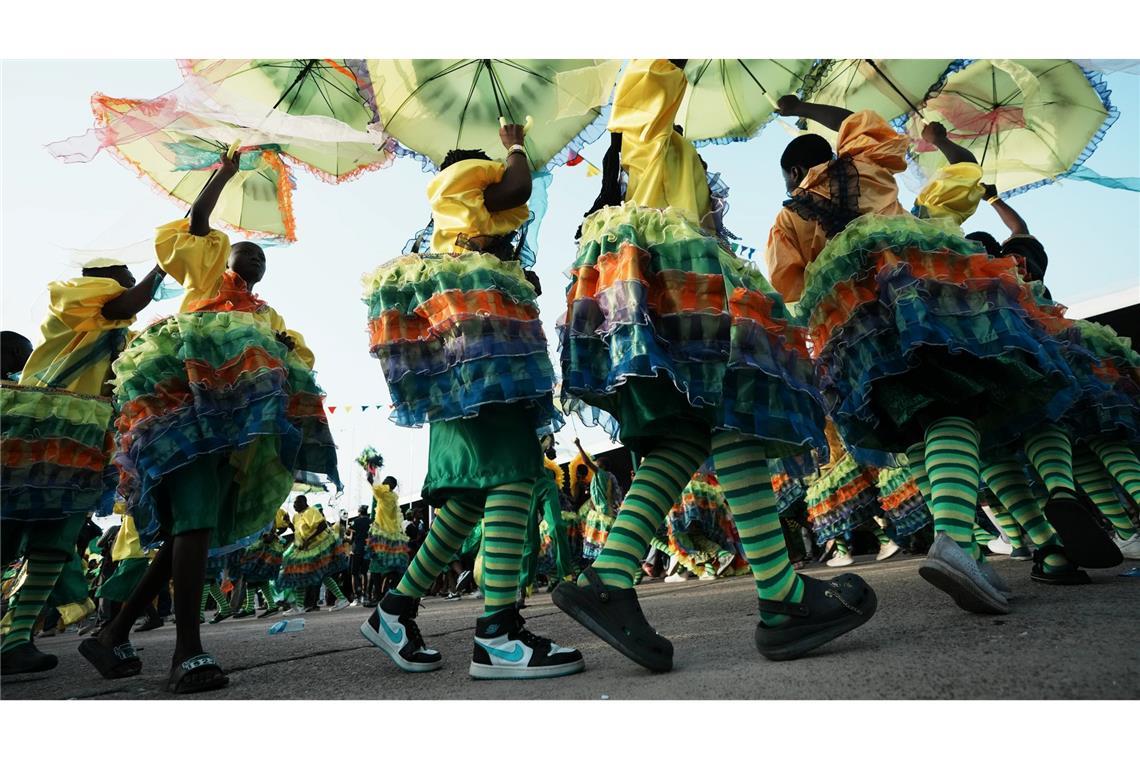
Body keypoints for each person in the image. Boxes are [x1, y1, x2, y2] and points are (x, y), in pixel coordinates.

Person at [556, 60, 857, 674]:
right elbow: (651, 74)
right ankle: (781, 597)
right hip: (670, 278)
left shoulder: (657, 150)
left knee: (688, 434)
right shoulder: (642, 123)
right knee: (736, 412)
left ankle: (610, 578)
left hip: (667, 278)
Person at [765, 97, 1084, 615]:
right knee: (951, 408)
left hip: (853, 331)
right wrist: (803, 106)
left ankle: (967, 549)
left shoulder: (786, 218)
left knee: (911, 426)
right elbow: (869, 125)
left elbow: (791, 287)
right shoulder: (865, 163)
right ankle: (960, 543)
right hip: (918, 297)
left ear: (796, 171)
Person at [78, 152, 340, 694]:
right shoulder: (205, 277)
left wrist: (285, 348)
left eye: (261, 262)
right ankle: (187, 651)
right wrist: (221, 174)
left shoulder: (266, 316)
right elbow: (196, 227)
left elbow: (294, 364)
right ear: (227, 258)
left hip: (228, 437)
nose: (253, 264)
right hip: (182, 418)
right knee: (191, 524)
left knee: (187, 532)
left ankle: (113, 633)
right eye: (246, 255)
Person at [359, 122, 582, 680]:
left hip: (463, 353)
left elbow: (502, 216)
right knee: (511, 474)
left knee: (469, 498)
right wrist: (513, 143)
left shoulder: (458, 236)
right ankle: (497, 636)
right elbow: (519, 187)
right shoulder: (462, 177)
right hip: (480, 351)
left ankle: (395, 610)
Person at [2, 248, 163, 675]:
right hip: (39, 429)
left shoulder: (118, 331)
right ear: (103, 273)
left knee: (54, 542)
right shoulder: (74, 294)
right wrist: (167, 260)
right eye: (124, 272)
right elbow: (126, 302)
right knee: (6, 537)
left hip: (85, 439)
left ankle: (15, 640)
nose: (131, 278)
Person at [277, 496, 350, 611]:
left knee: (316, 574)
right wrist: (289, 523)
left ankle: (341, 599)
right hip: (304, 550)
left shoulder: (311, 511)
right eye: (294, 504)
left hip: (318, 547)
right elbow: (298, 532)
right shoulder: (296, 516)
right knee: (303, 575)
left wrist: (308, 539)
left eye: (296, 503)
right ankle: (301, 606)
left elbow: (322, 525)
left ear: (304, 502)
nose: (294, 505)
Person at [365, 476, 409, 604]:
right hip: (393, 536)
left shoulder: (383, 494)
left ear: (389, 484)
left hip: (380, 535)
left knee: (376, 567)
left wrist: (370, 479)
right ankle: (389, 593)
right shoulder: (393, 496)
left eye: (385, 482)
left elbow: (376, 489)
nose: (383, 484)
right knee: (392, 566)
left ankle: (379, 596)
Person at [348, 505, 372, 605]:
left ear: (359, 512)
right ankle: (364, 595)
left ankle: (356, 597)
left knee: (354, 574)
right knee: (364, 573)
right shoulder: (371, 522)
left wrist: (346, 539)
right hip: (367, 549)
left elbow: (350, 538)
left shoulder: (355, 522)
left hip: (356, 549)